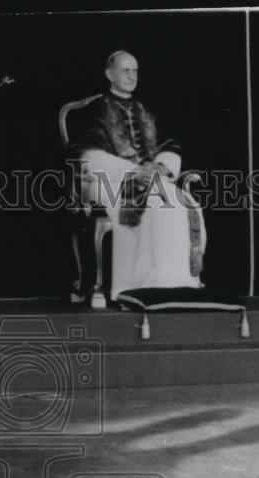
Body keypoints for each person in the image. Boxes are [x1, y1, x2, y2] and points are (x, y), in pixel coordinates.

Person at [69, 50, 206, 301]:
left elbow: (169, 145)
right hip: (109, 179)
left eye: (135, 71)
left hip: (151, 178)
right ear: (109, 74)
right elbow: (87, 153)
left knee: (179, 202)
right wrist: (132, 171)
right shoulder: (95, 111)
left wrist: (163, 167)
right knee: (155, 204)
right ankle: (136, 286)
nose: (132, 76)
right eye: (125, 70)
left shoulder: (146, 110)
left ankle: (175, 282)